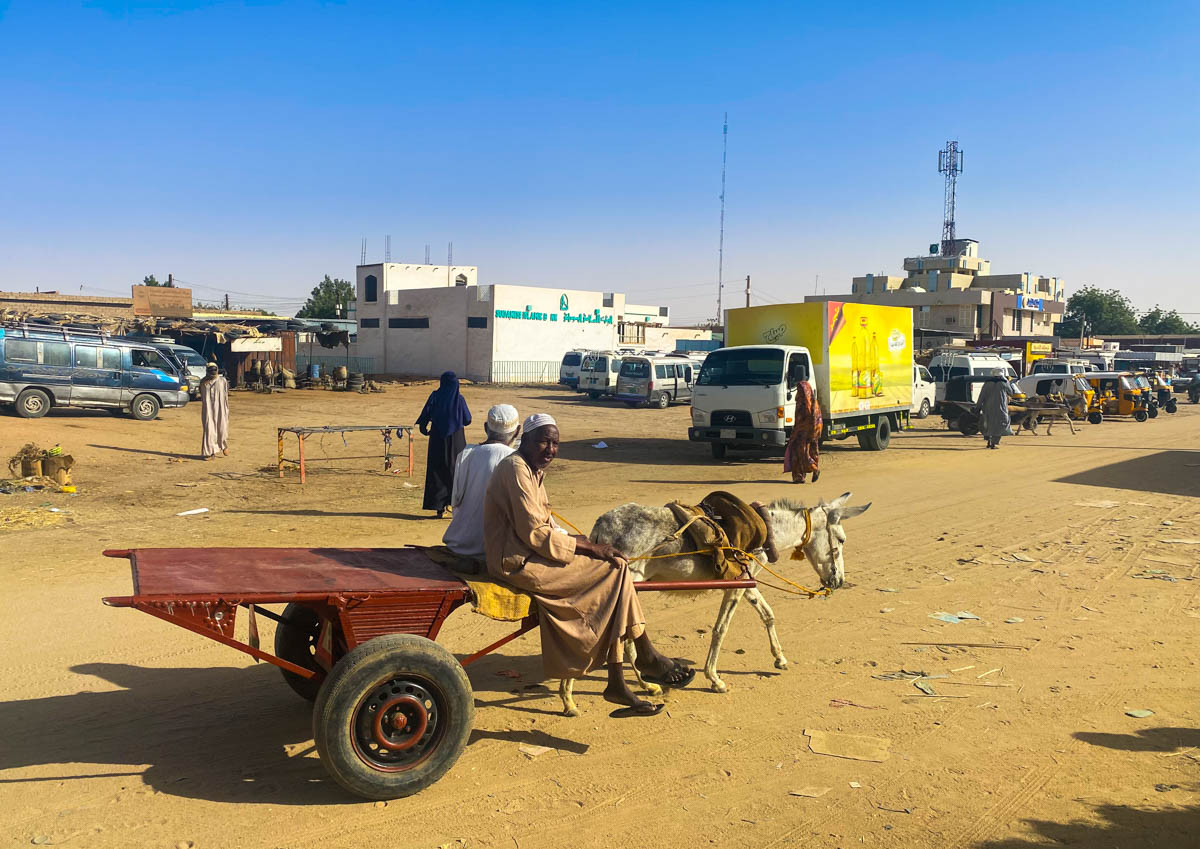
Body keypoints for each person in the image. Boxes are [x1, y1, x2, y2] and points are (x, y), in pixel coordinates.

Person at [483, 413, 694, 717]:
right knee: (617, 571)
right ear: (524, 439)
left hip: (531, 553)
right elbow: (535, 533)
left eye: (555, 443)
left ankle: (623, 675)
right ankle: (640, 658)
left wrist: (580, 542)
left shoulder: (531, 470)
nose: (550, 449)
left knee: (617, 568)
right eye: (544, 441)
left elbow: (545, 525)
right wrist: (590, 545)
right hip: (516, 561)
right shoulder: (516, 469)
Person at [442, 404, 520, 560]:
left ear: (486, 428)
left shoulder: (465, 454)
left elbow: (455, 503)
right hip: (491, 551)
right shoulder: (516, 460)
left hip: (458, 544)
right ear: (518, 431)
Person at [416, 371, 472, 518]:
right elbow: (467, 419)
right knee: (456, 470)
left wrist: (424, 427)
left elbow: (425, 415)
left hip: (437, 438)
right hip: (457, 439)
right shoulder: (459, 400)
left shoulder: (435, 396)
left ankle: (439, 508)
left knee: (437, 469)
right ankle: (456, 506)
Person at [783, 379, 822, 483]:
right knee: (808, 452)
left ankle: (813, 469)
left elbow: (801, 418)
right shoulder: (813, 402)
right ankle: (799, 477)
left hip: (803, 432)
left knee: (801, 453)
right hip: (812, 431)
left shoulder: (804, 403)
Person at [198, 363, 229, 460]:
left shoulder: (222, 381)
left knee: (222, 428)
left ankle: (223, 446)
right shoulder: (203, 383)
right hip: (208, 410)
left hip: (221, 408)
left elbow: (226, 393)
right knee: (209, 430)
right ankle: (210, 452)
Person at [976, 376, 1016, 449]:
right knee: (1000, 425)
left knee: (987, 424)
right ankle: (994, 443)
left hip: (987, 408)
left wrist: (977, 407)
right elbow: (1011, 392)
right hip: (1001, 409)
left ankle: (988, 441)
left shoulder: (987, 383)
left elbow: (981, 396)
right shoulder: (1004, 383)